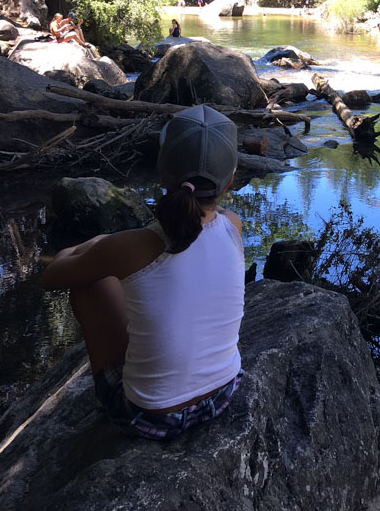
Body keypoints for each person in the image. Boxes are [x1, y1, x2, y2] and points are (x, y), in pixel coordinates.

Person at [41, 105, 245, 440]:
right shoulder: (233, 226)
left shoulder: (132, 247)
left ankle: (117, 398)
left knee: (87, 284)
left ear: (161, 175)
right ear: (230, 181)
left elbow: (53, 277)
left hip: (152, 416)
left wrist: (96, 244)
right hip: (223, 394)